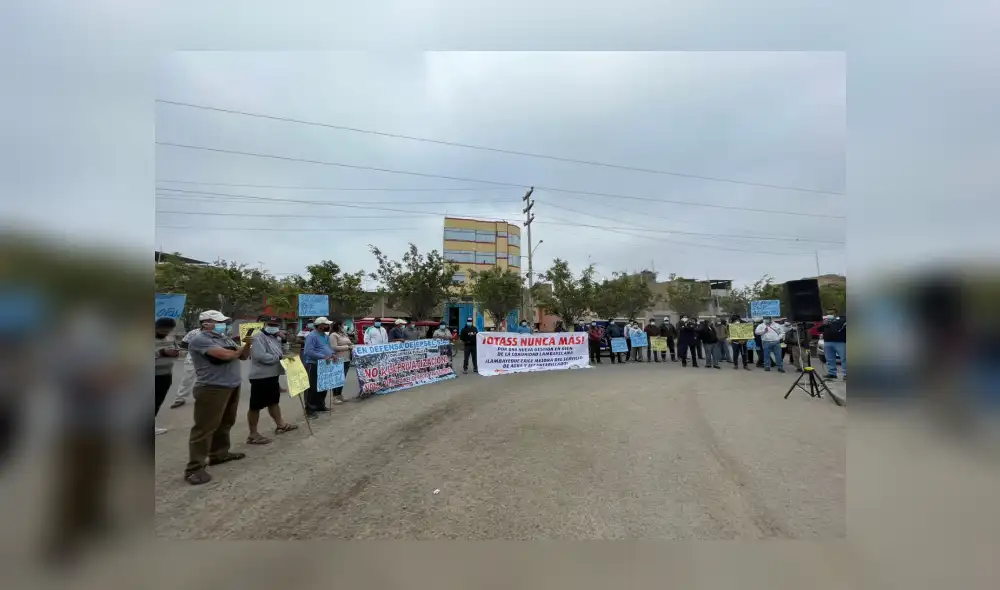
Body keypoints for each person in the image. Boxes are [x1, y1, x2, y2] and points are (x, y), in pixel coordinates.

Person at [184, 310, 252, 486]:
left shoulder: (224, 338)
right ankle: (194, 468)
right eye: (218, 322)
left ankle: (219, 454)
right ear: (206, 323)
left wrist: (247, 345)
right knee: (205, 428)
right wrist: (239, 349)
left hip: (231, 385)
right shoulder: (200, 339)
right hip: (212, 388)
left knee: (225, 422)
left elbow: (243, 356)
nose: (223, 324)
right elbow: (225, 355)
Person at [245, 316, 298, 445]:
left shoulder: (276, 337)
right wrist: (280, 357)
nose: (273, 326)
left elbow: (285, 349)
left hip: (272, 376)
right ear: (265, 324)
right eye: (270, 324)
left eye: (275, 324)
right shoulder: (258, 337)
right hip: (261, 377)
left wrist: (285, 339)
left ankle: (281, 424)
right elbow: (260, 356)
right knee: (255, 406)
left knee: (273, 402)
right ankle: (253, 434)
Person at [302, 316, 335, 418]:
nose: (328, 326)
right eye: (326, 324)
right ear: (320, 326)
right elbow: (308, 351)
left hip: (324, 364)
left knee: (323, 385)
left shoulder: (325, 336)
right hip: (313, 364)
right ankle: (310, 409)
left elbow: (327, 348)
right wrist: (323, 356)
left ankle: (320, 405)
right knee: (312, 388)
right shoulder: (312, 336)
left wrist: (332, 355)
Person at [154, 317, 179, 435]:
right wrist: (161, 352)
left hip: (166, 374)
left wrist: (176, 353)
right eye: (164, 330)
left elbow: (176, 349)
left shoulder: (170, 337)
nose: (167, 332)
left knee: (158, 401)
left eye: (169, 330)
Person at [170, 325, 201, 409]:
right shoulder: (194, 332)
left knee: (208, 380)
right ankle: (180, 399)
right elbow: (183, 343)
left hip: (210, 360)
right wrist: (195, 348)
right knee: (187, 378)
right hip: (192, 359)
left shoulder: (218, 333)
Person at [328, 320, 354, 403]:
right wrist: (347, 347)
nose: (344, 326)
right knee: (337, 378)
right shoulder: (333, 335)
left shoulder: (344, 334)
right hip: (338, 359)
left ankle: (340, 395)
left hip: (347, 359)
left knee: (342, 379)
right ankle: (335, 397)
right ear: (339, 326)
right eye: (343, 325)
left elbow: (349, 343)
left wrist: (351, 345)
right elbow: (334, 347)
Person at [821, 309, 847, 380]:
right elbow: (819, 329)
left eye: (831, 312)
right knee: (829, 359)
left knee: (844, 358)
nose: (829, 313)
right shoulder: (825, 320)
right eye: (828, 312)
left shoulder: (842, 320)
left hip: (840, 342)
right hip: (827, 341)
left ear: (835, 313)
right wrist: (823, 324)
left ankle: (846, 374)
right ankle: (832, 373)